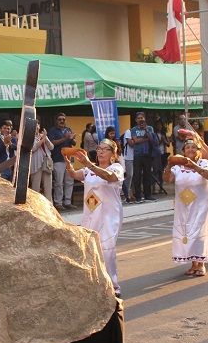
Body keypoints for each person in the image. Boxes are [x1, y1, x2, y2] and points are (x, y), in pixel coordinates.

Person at [66, 139, 124, 296]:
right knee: (91, 248)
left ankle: (113, 286)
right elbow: (74, 174)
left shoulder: (116, 168)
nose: (100, 152)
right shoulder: (88, 171)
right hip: (91, 214)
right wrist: (68, 163)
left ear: (113, 154)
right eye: (99, 149)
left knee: (106, 249)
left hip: (109, 215)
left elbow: (109, 177)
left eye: (105, 149)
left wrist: (88, 163)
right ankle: (96, 283)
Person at [164, 139, 208, 276]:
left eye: (194, 147)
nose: (191, 149)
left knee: (198, 233)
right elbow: (167, 179)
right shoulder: (177, 167)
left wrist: (194, 166)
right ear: (183, 152)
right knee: (186, 232)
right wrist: (168, 165)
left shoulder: (204, 163)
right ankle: (193, 263)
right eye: (188, 148)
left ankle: (201, 263)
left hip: (200, 205)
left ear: (199, 151)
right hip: (183, 207)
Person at [47, 113, 76, 210]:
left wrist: (71, 139)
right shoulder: (52, 130)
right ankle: (58, 203)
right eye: (60, 119)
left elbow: (74, 142)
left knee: (69, 181)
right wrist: (65, 138)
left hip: (69, 159)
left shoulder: (69, 129)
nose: (62, 121)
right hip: (58, 159)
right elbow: (52, 143)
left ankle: (67, 202)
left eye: (64, 119)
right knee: (59, 182)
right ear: (56, 121)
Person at [128, 112, 155, 203]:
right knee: (137, 175)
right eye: (138, 118)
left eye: (142, 118)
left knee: (147, 175)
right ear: (136, 120)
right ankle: (138, 196)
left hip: (147, 154)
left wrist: (146, 130)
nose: (140, 120)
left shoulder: (150, 128)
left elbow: (152, 139)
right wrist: (146, 139)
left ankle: (148, 195)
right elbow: (135, 140)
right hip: (137, 155)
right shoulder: (133, 129)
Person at [28, 121, 54, 199]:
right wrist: (42, 140)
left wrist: (45, 139)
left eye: (37, 125)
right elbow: (33, 148)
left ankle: (50, 207)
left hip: (46, 163)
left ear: (39, 126)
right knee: (35, 188)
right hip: (36, 164)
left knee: (48, 188)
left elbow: (51, 147)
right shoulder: (29, 137)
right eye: (33, 126)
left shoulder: (43, 135)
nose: (35, 128)